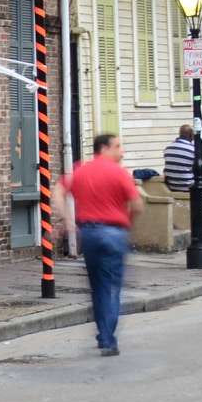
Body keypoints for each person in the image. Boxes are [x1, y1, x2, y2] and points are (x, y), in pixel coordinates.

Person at [63, 132, 142, 356]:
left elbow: (59, 191)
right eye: (118, 146)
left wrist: (69, 221)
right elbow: (137, 205)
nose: (122, 151)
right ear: (104, 148)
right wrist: (128, 223)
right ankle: (108, 337)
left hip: (89, 233)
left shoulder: (81, 170)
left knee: (98, 286)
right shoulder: (119, 173)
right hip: (114, 232)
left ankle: (102, 333)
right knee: (112, 287)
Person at [161, 125, 198, 195]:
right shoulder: (193, 149)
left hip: (171, 186)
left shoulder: (168, 148)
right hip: (188, 187)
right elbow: (198, 170)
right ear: (191, 135)